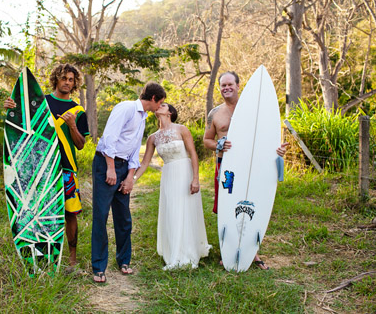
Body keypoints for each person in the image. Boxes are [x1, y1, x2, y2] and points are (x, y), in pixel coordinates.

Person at [4, 64, 89, 271]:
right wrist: (11, 109)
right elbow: (22, 127)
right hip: (40, 168)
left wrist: (72, 126)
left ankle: (71, 258)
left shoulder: (78, 111)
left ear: (75, 83)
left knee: (70, 213)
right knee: (36, 210)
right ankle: (36, 255)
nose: (67, 82)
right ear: (56, 80)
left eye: (71, 79)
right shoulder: (41, 104)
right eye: (63, 78)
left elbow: (80, 144)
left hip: (67, 167)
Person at [203, 71, 288, 270]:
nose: (226, 88)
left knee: (252, 205)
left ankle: (253, 252)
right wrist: (218, 145)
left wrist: (278, 150)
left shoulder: (256, 109)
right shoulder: (215, 113)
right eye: (223, 85)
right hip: (227, 169)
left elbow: (269, 138)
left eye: (230, 84)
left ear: (238, 85)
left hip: (252, 168)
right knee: (227, 206)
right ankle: (228, 250)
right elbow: (207, 140)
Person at [91, 82, 166, 283]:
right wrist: (110, 168)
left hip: (125, 166)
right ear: (153, 99)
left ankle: (124, 260)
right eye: (161, 102)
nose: (160, 106)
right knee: (101, 215)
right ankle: (98, 267)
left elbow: (134, 149)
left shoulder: (143, 117)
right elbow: (109, 138)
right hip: (106, 164)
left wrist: (130, 177)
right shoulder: (126, 108)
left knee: (123, 218)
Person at [133, 103, 211, 270]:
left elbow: (193, 153)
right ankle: (174, 251)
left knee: (186, 210)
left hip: (184, 172)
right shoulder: (153, 138)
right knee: (172, 211)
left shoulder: (181, 129)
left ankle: (188, 251)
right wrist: (132, 179)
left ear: (170, 112)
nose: (158, 106)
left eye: (163, 105)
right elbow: (145, 162)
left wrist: (196, 179)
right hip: (168, 174)